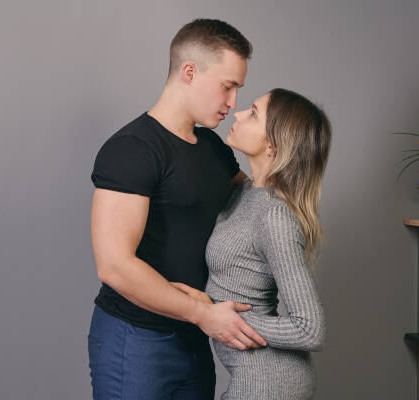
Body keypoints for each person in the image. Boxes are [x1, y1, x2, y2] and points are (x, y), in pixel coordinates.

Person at [88, 19, 267, 400]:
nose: (233, 102)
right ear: (189, 72)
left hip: (195, 337)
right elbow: (115, 265)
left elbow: (257, 207)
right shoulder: (133, 149)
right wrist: (203, 314)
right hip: (136, 339)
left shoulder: (214, 148)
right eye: (227, 86)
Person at [173, 88, 331, 399]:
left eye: (254, 113)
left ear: (272, 146)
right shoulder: (246, 192)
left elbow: (311, 329)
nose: (238, 113)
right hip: (254, 374)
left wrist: (221, 316)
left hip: (269, 380)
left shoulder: (275, 215)